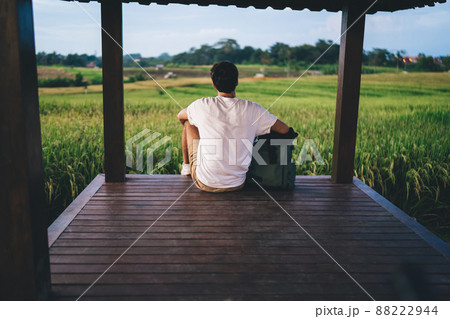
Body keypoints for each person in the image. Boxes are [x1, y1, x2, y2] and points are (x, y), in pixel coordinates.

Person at [177, 61, 289, 192]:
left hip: (205, 182)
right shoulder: (253, 109)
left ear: (214, 85)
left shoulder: (202, 105)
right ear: (236, 82)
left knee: (188, 122)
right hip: (237, 184)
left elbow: (180, 116)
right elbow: (285, 129)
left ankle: (186, 167)